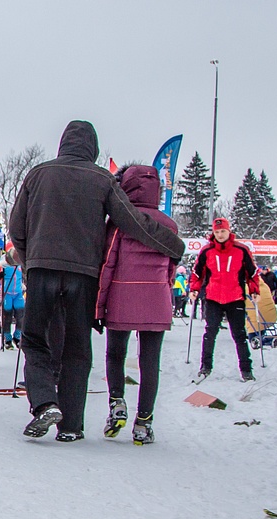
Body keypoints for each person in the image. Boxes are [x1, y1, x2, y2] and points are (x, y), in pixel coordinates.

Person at [8, 120, 184, 441]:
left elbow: (16, 226)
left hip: (42, 269)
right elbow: (131, 221)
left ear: (63, 143)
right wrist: (173, 244)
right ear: (94, 149)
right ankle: (72, 426)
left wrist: (28, 259)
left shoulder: (38, 173)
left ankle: (45, 402)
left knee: (36, 341)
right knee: (78, 348)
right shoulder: (102, 179)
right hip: (84, 276)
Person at [95, 165, 181, 445]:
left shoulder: (119, 222)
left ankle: (116, 404)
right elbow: (170, 271)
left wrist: (99, 305)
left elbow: (107, 265)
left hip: (121, 297)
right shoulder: (169, 225)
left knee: (115, 355)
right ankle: (144, 422)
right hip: (156, 299)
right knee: (150, 363)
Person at [189, 217, 260, 382]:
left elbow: (253, 273)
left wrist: (254, 290)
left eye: (223, 231)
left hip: (235, 297)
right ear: (213, 233)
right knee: (210, 332)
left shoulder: (241, 250)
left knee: (239, 334)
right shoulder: (207, 251)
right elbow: (198, 273)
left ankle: (246, 369)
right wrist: (194, 289)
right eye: (217, 232)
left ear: (229, 231)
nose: (220, 235)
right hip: (213, 298)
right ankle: (205, 367)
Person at [0, 253, 25, 349]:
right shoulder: (2, 265)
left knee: (21, 317)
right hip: (6, 293)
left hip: (18, 293)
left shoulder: (21, 265)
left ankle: (17, 337)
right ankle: (7, 339)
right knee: (7, 317)